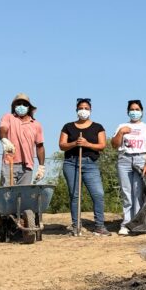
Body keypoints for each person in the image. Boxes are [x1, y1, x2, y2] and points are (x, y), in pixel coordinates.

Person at [59, 98, 109, 236]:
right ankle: (76, 226)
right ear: (76, 110)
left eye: (86, 108)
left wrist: (87, 144)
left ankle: (99, 225)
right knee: (75, 195)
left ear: (90, 110)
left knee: (98, 194)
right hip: (71, 163)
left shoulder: (98, 127)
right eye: (81, 108)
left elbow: (102, 145)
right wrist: (75, 143)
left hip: (90, 163)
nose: (84, 110)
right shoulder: (68, 127)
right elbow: (62, 145)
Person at [111, 100, 146, 235]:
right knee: (126, 192)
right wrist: (121, 133)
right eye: (132, 109)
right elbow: (114, 144)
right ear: (127, 112)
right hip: (124, 159)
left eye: (137, 109)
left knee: (138, 192)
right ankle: (125, 223)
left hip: (140, 159)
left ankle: (137, 223)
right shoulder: (122, 126)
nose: (134, 112)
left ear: (142, 111)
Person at [0, 93, 45, 186]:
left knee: (22, 196)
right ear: (14, 106)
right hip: (10, 162)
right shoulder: (8, 117)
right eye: (18, 104)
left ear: (29, 107)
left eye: (24, 104)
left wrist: (41, 167)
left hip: (27, 167)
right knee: (8, 195)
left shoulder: (36, 124)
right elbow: (2, 130)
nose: (21, 106)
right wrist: (5, 140)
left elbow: (40, 146)